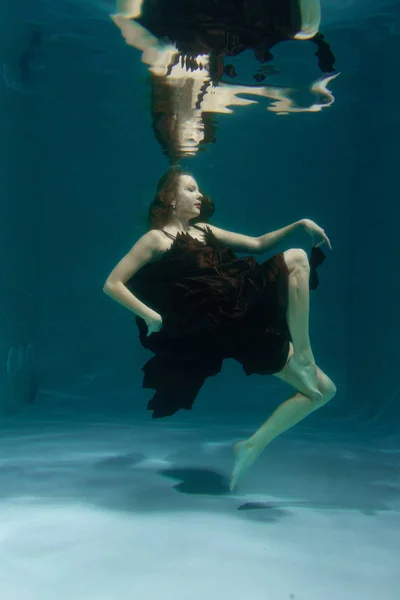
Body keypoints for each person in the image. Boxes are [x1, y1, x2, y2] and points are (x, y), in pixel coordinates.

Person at [103, 168, 336, 490]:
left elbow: (257, 243)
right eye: (190, 189)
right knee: (296, 258)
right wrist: (150, 316)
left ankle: (251, 445)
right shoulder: (156, 239)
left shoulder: (206, 230)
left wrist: (300, 224)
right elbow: (112, 284)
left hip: (247, 325)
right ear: (171, 198)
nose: (200, 195)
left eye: (199, 190)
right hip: (218, 323)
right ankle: (306, 352)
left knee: (323, 392)